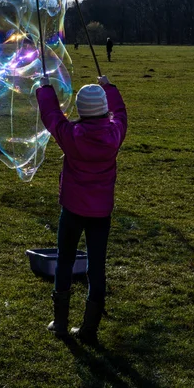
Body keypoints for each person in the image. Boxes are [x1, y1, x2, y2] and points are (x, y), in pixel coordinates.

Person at [36, 75, 127, 343]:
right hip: (101, 214)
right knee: (96, 267)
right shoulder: (114, 133)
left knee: (64, 260)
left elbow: (52, 117)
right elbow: (121, 113)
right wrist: (109, 87)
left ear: (81, 111)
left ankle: (61, 323)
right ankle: (89, 329)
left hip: (72, 210)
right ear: (103, 110)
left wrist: (45, 90)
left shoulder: (71, 136)